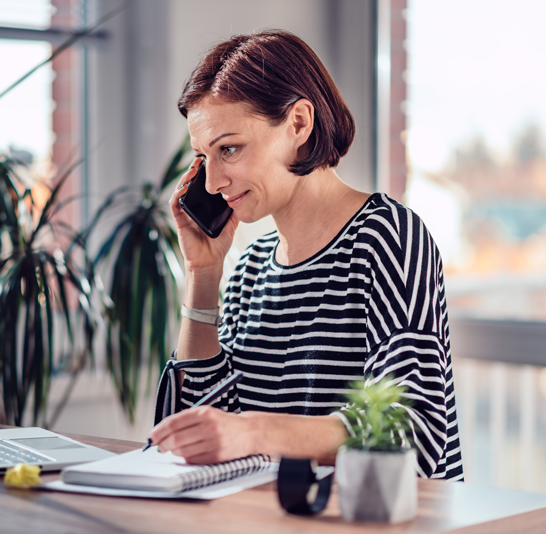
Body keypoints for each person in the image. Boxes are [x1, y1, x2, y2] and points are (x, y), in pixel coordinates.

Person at [148, 30, 463, 481]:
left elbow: (411, 432)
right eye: (203, 157)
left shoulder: (389, 237)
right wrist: (203, 276)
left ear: (298, 123)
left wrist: (255, 432)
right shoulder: (250, 270)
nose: (212, 181)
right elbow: (189, 438)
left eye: (229, 149)